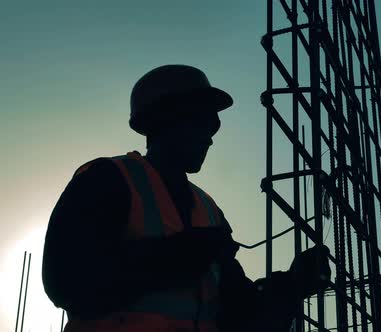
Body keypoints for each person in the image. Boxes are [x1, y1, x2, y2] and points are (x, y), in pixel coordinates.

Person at [42, 64, 331, 332]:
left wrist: (291, 286)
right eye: (202, 123)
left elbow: (240, 316)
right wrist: (179, 254)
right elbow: (67, 281)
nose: (210, 137)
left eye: (213, 126)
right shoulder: (108, 179)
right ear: (165, 119)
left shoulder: (209, 211)